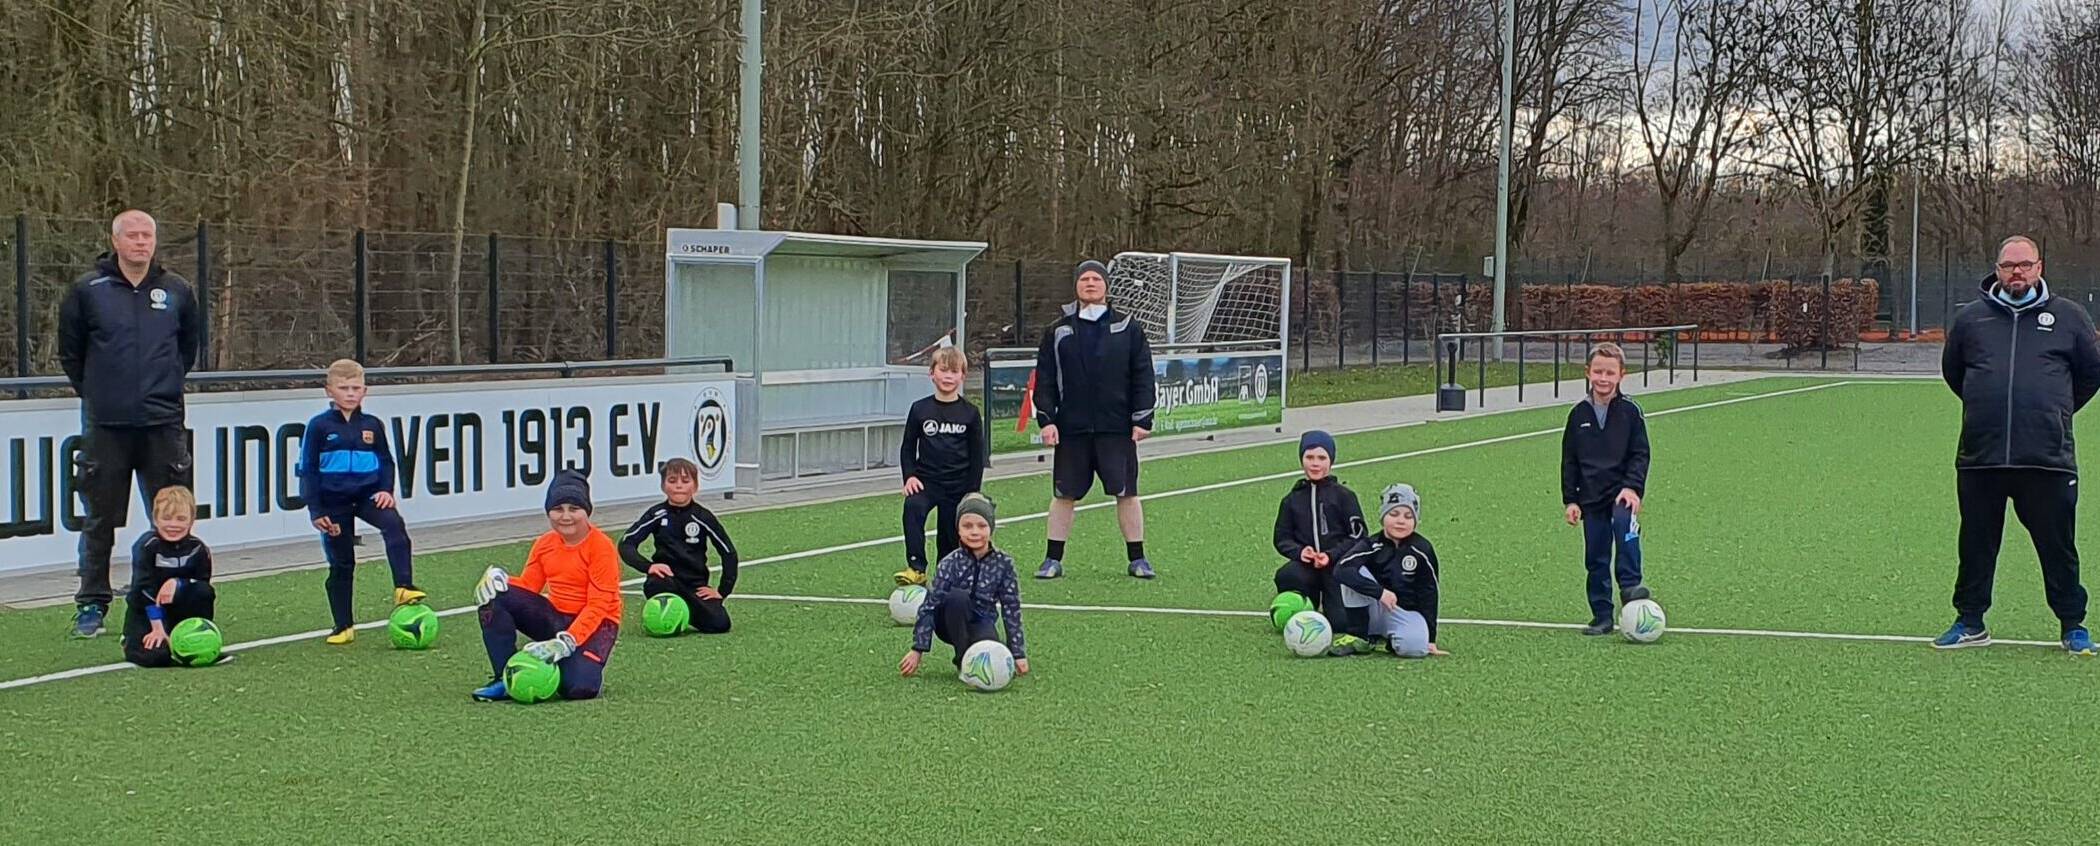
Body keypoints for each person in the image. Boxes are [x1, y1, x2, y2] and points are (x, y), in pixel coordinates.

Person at [1937, 235, 2100, 654]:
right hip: (1981, 456)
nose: (2017, 273)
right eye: (2009, 265)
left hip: (2046, 458)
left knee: (2057, 546)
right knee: (1975, 543)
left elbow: (2088, 376)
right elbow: (1956, 374)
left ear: (2039, 267)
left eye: (2025, 265)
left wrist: (2054, 413)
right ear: (1998, 269)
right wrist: (1987, 408)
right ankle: (1970, 621)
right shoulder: (1971, 320)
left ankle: (2072, 625)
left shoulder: (2070, 318)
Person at [59, 209, 202, 638]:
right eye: (133, 235)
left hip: (163, 423)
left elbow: (188, 348)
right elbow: (71, 354)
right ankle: (92, 604)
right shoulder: (89, 290)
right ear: (116, 241)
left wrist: (164, 388)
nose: (141, 242)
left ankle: (176, 597)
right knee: (100, 518)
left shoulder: (176, 290)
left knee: (173, 516)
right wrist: (102, 395)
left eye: (148, 235)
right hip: (107, 426)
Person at [1030, 259, 1158, 580]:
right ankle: (1052, 559)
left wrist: (1142, 418)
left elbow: (1143, 375)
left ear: (1106, 287)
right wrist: (1046, 420)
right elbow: (1044, 379)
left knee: (1126, 492)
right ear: (1076, 286)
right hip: (1072, 430)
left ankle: (1138, 558)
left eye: (1096, 279)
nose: (1090, 283)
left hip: (1116, 429)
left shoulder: (1128, 327)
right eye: (1084, 279)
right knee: (1064, 494)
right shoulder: (1057, 331)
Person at [299, 358, 424, 644]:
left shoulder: (372, 425)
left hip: (367, 496)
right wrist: (316, 509)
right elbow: (308, 469)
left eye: (356, 388)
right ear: (329, 391)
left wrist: (386, 490)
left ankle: (403, 585)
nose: (350, 393)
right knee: (342, 563)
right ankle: (343, 625)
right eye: (344, 388)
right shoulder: (318, 426)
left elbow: (387, 461)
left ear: (365, 391)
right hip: (333, 504)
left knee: (394, 525)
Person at [470, 470, 622, 701]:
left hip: (598, 625)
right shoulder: (544, 543)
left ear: (587, 512)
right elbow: (529, 585)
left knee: (579, 689)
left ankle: (570, 663)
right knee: (494, 597)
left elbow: (599, 605)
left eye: (574, 509)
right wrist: (499, 579)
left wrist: (568, 642)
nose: (566, 516)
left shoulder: (601, 547)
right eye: (558, 509)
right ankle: (504, 677)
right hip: (557, 617)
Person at [1561, 342, 1653, 636]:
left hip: (1620, 493)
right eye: (1598, 371)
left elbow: (1640, 454)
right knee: (1596, 557)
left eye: (1610, 373)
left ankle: (1630, 587)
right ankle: (1602, 615)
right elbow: (1569, 460)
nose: (1603, 378)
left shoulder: (1630, 412)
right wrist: (1571, 500)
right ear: (1588, 373)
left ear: (1621, 376)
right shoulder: (1578, 415)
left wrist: (1632, 488)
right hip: (1590, 497)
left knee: (1626, 529)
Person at [899, 493, 1030, 679]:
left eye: (981, 526)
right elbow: (929, 605)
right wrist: (918, 649)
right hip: (948, 620)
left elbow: (1011, 608)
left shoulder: (1004, 563)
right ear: (958, 530)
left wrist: (1018, 654)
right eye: (967, 526)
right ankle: (963, 661)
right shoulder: (949, 563)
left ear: (991, 528)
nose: (974, 532)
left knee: (990, 652)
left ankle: (978, 652)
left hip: (982, 620)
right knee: (957, 597)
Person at [896, 346, 989, 586]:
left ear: (962, 376)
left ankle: (945, 574)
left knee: (948, 533)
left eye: (954, 371)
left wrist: (973, 490)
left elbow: (978, 456)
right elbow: (907, 448)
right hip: (927, 482)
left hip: (957, 486)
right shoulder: (919, 409)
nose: (948, 376)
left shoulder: (970, 413)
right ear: (932, 374)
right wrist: (910, 477)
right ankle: (916, 568)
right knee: (912, 509)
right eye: (943, 370)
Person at [619, 458, 738, 635]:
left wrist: (722, 591)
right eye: (672, 481)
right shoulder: (656, 514)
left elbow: (728, 552)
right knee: (656, 584)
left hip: (694, 586)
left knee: (720, 624)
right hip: (666, 581)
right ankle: (671, 613)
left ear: (695, 486)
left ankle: (684, 611)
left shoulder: (703, 517)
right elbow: (626, 544)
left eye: (685, 481)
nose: (679, 486)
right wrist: (649, 566)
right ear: (663, 486)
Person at [1334, 484, 1447, 658]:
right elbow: (1341, 570)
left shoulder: (1422, 550)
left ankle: (1393, 640)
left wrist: (1430, 638)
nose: (1401, 521)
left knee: (1415, 649)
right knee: (1352, 570)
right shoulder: (1371, 545)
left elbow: (1429, 593)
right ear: (1383, 516)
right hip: (1373, 607)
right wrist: (1379, 593)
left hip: (1403, 612)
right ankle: (1360, 636)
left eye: (1408, 516)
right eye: (1394, 514)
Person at [121, 486, 227, 667]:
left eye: (181, 519)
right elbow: (144, 591)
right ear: (155, 519)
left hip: (179, 612)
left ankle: (200, 635)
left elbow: (202, 588)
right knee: (158, 657)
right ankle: (130, 640)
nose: (173, 525)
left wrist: (178, 583)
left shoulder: (198, 549)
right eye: (166, 518)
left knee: (203, 591)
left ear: (192, 521)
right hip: (148, 614)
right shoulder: (147, 546)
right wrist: (158, 629)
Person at [1270, 430, 1365, 625]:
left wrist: (1331, 555)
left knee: (1340, 623)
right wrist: (1300, 552)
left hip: (1337, 566)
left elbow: (1359, 537)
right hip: (1308, 566)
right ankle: (1308, 602)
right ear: (1301, 459)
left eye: (1321, 457)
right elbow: (1282, 538)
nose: (1315, 463)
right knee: (1287, 575)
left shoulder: (1344, 496)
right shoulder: (1292, 500)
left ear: (1331, 461)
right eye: (1309, 457)